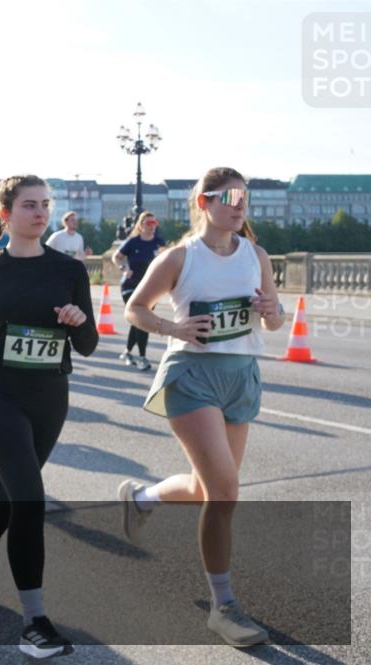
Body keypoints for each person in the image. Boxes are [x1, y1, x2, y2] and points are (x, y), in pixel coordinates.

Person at [117, 167, 285, 648]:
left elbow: (274, 321)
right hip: (192, 376)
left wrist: (273, 312)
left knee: (203, 487)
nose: (239, 205)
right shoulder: (179, 257)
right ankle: (224, 606)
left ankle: (142, 498)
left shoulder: (256, 255)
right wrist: (173, 330)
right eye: (230, 197)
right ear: (203, 201)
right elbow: (136, 307)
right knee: (226, 491)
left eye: (245, 198)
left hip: (241, 377)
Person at [0, 175, 97, 659]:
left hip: (49, 397)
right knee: (32, 499)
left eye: (44, 205)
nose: (40, 213)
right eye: (29, 205)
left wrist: (78, 323)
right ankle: (33, 622)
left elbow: (89, 344)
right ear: (6, 214)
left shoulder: (69, 270)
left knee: (10, 492)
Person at [112, 211, 166, 370]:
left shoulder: (159, 243)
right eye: (148, 223)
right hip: (130, 286)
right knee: (142, 320)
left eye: (154, 223)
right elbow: (116, 256)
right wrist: (123, 268)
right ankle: (142, 357)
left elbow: (167, 260)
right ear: (141, 225)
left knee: (139, 321)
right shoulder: (133, 242)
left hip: (150, 289)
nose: (152, 226)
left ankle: (127, 351)